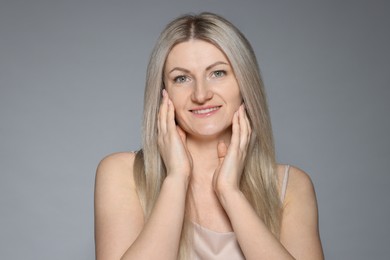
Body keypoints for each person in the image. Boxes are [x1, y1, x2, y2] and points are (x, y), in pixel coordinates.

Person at [94, 12, 324, 260]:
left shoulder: (290, 187)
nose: (201, 94)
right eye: (181, 78)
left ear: (244, 83)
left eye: (218, 73)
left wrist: (230, 193)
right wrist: (176, 178)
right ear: (164, 93)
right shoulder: (122, 173)